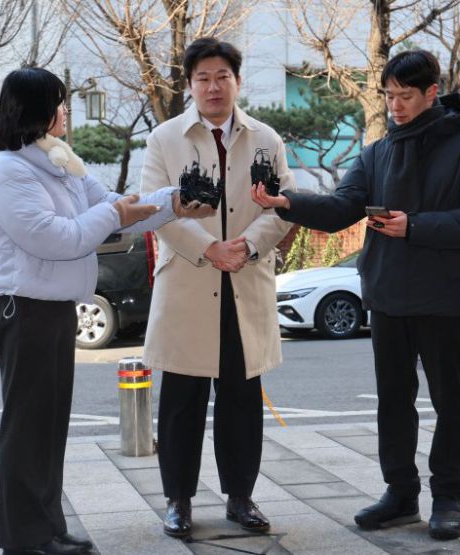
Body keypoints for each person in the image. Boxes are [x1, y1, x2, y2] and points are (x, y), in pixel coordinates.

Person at [252, 50, 460, 540]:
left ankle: (447, 498)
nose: (395, 105)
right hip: (387, 293)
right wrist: (287, 202)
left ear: (432, 93)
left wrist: (415, 226)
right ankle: (400, 493)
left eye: (405, 96)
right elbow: (342, 206)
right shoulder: (378, 152)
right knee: (392, 400)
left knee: (448, 401)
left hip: (443, 294)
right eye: (389, 96)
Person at [0, 67, 212, 555]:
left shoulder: (58, 162)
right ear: (37, 109)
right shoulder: (11, 170)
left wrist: (174, 202)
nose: (65, 110)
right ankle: (25, 538)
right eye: (58, 102)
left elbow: (115, 206)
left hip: (52, 308)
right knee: (28, 426)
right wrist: (115, 213)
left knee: (49, 424)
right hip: (24, 310)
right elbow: (58, 238)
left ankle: (47, 526)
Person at [140, 37, 295, 538]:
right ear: (189, 85)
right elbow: (154, 208)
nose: (213, 87)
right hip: (189, 285)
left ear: (237, 81)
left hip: (245, 282)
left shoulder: (266, 139)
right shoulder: (165, 139)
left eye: (222, 77)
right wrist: (210, 248)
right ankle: (178, 500)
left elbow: (284, 205)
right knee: (181, 401)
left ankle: (241, 497)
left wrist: (245, 246)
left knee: (241, 400)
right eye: (203, 78)